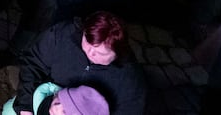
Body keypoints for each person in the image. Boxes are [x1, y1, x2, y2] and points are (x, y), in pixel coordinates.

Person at [13, 14, 147, 115]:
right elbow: (33, 63)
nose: (90, 53)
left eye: (100, 53)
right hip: (44, 100)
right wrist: (25, 106)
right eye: (87, 44)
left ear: (117, 53)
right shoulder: (63, 33)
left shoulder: (130, 81)